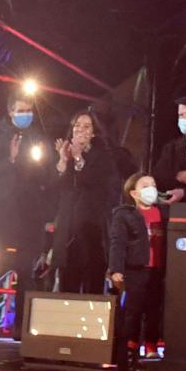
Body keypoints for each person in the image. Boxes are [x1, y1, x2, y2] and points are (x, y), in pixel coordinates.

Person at [0, 92, 55, 297]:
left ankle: (21, 324)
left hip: (28, 218)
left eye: (29, 111)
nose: (26, 115)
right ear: (11, 111)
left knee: (26, 274)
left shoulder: (38, 138)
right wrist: (10, 160)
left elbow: (47, 177)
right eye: (21, 111)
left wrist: (37, 165)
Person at [51, 109, 129, 295]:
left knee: (91, 283)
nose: (80, 130)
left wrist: (78, 159)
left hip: (92, 230)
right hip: (68, 229)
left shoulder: (104, 156)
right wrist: (62, 161)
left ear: (94, 132)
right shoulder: (67, 154)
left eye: (87, 126)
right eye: (77, 125)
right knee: (67, 285)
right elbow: (56, 187)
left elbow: (97, 184)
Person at [107, 172, 165, 371]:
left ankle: (151, 349)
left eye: (154, 184)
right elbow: (118, 242)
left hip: (158, 270)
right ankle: (127, 359)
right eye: (145, 185)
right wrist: (116, 269)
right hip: (136, 270)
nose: (152, 189)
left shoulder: (163, 213)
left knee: (155, 312)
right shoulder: (124, 215)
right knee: (132, 314)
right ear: (133, 193)